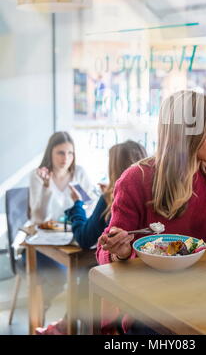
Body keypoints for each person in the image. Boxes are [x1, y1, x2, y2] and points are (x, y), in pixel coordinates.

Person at [97, 90, 206, 335]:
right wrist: (120, 252)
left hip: (205, 296)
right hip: (151, 310)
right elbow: (104, 253)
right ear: (184, 134)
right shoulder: (136, 179)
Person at [36, 140, 147, 335]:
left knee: (86, 274)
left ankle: (64, 325)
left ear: (114, 168)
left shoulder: (111, 198)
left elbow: (84, 238)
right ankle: (64, 323)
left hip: (119, 282)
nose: (65, 158)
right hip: (143, 276)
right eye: (61, 153)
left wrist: (76, 205)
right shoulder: (152, 194)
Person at [23, 132, 98, 328]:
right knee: (60, 277)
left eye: (70, 153)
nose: (66, 159)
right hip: (45, 242)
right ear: (50, 153)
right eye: (60, 153)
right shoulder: (39, 175)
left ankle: (68, 322)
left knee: (89, 271)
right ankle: (46, 309)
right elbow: (38, 218)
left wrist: (81, 205)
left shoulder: (79, 173)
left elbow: (91, 205)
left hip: (72, 238)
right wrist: (47, 188)